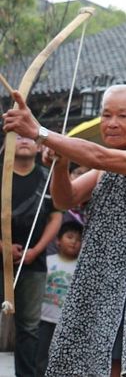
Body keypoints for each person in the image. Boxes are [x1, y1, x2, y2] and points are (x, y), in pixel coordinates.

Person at [4, 83, 126, 377]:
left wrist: (40, 132)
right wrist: (60, 165)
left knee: (113, 363)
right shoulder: (107, 164)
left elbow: (101, 157)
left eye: (122, 116)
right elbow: (65, 199)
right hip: (93, 274)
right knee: (75, 360)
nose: (111, 123)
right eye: (106, 115)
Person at [2, 134, 61, 377]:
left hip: (33, 261)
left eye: (29, 137)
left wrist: (36, 250)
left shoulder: (48, 178)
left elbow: (56, 215)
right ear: (6, 144)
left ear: (39, 146)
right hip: (2, 257)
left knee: (29, 327)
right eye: (17, 137)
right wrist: (3, 246)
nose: (24, 141)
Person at [36, 220, 82, 376]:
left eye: (78, 239)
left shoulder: (81, 268)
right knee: (41, 358)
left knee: (64, 360)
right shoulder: (48, 262)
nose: (74, 242)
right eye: (70, 237)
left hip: (67, 323)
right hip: (45, 319)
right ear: (58, 241)